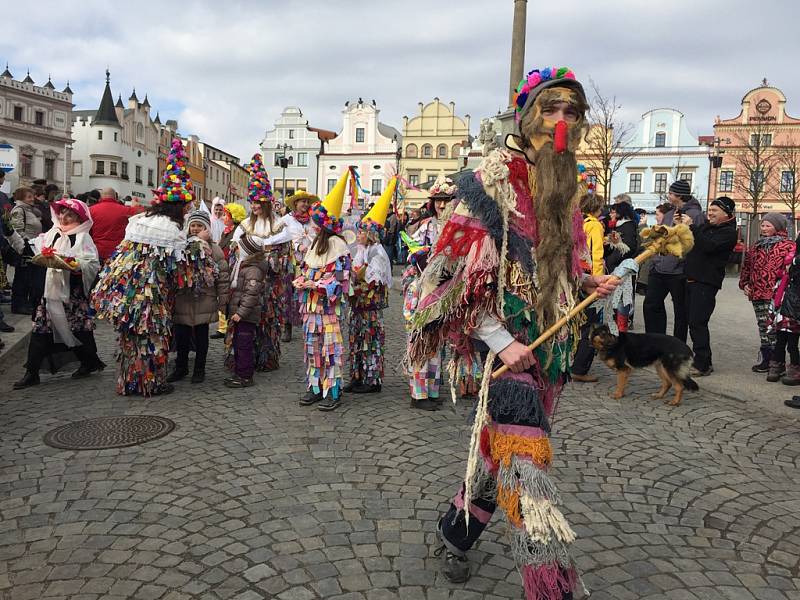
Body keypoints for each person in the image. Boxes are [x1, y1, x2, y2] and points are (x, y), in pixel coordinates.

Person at [408, 66, 618, 599]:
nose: (562, 120)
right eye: (552, 109)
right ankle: (549, 586)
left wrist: (588, 279)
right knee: (526, 464)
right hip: (506, 353)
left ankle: (455, 532)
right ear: (528, 116)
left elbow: (558, 265)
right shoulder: (492, 181)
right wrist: (502, 341)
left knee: (497, 451)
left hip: (551, 349)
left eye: (572, 112)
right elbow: (446, 278)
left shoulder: (563, 185)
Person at [92, 139, 193, 396]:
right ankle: (151, 383)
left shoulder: (140, 219)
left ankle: (129, 381)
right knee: (152, 337)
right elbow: (177, 268)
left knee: (130, 338)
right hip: (150, 295)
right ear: (179, 206)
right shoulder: (172, 229)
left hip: (125, 291)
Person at [14, 198, 105, 389]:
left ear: (79, 219)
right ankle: (32, 371)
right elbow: (30, 248)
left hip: (72, 292)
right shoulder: (51, 234)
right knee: (40, 329)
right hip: (49, 291)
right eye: (62, 212)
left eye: (70, 214)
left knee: (79, 330)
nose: (64, 217)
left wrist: (74, 264)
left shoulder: (83, 238)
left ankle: (89, 361)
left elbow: (92, 263)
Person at [230, 154, 293, 371]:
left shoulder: (278, 224)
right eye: (252, 202)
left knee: (266, 318)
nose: (254, 206)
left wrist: (272, 255)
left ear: (266, 203)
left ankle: (265, 357)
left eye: (258, 203)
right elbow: (235, 245)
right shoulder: (246, 223)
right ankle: (244, 357)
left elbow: (285, 251)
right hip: (248, 278)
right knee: (247, 318)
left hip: (269, 281)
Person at [294, 173, 351, 411]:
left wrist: (316, 285)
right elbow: (306, 269)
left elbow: (342, 280)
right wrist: (300, 280)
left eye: (316, 223)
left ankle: (333, 391)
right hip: (311, 310)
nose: (312, 226)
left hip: (327, 310)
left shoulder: (339, 246)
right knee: (311, 348)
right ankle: (315, 388)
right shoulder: (314, 246)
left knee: (330, 349)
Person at [405, 175, 456, 410]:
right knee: (421, 340)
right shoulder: (426, 227)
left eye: (446, 200)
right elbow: (412, 253)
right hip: (424, 291)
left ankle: (433, 390)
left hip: (444, 291)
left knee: (437, 342)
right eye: (438, 200)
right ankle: (419, 394)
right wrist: (422, 261)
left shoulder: (456, 227)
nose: (442, 205)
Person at [678, 196, 737, 376]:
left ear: (726, 214)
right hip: (691, 279)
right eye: (709, 210)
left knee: (698, 322)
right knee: (690, 321)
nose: (709, 214)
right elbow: (692, 243)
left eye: (714, 211)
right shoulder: (707, 227)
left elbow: (709, 246)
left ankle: (703, 364)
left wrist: (693, 227)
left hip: (706, 282)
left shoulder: (729, 232)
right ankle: (701, 360)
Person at [169, 211, 230, 384]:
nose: (195, 229)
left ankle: (199, 369)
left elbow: (223, 275)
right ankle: (181, 367)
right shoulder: (181, 244)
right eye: (193, 225)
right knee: (182, 336)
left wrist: (223, 300)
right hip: (184, 298)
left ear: (206, 228)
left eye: (199, 226)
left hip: (205, 298)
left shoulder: (215, 248)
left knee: (202, 337)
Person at [346, 179, 394, 394]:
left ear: (371, 234)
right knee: (357, 339)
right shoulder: (361, 251)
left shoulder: (378, 253)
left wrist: (357, 288)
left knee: (370, 340)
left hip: (370, 308)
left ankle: (371, 379)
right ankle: (357, 376)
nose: (358, 235)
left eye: (362, 232)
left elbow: (376, 282)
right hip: (358, 307)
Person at [643, 180, 704, 341]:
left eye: (670, 193)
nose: (668, 195)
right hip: (659, 269)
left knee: (681, 311)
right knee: (651, 305)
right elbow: (660, 238)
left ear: (679, 195)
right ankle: (655, 341)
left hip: (679, 271)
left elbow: (695, 242)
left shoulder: (695, 215)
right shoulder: (669, 213)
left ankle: (677, 346)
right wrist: (655, 259)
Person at [739, 213, 794, 372]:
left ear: (777, 227)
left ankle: (777, 361)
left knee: (775, 327)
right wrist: (745, 284)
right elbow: (747, 266)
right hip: (757, 292)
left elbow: (790, 270)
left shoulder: (787, 246)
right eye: (762, 225)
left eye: (767, 225)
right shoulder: (757, 245)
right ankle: (766, 358)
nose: (763, 228)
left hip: (777, 294)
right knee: (763, 325)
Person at [224, 234, 267, 388]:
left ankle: (245, 375)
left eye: (239, 247)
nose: (236, 249)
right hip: (240, 313)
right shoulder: (243, 265)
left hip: (246, 315)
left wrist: (240, 313)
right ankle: (239, 371)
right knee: (238, 343)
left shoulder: (253, 270)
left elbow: (251, 294)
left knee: (243, 345)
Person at [572, 192, 605, 383]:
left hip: (575, 275)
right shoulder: (594, 225)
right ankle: (580, 368)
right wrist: (597, 279)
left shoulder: (578, 221)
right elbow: (596, 254)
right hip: (587, 278)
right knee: (589, 325)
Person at [280, 191, 317, 343]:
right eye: (302, 201)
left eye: (307, 202)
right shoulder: (286, 220)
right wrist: (296, 245)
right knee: (289, 294)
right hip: (291, 263)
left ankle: (307, 325)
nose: (305, 205)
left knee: (307, 293)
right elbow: (279, 238)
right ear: (295, 204)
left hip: (309, 263)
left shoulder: (312, 220)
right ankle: (287, 327)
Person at [211, 202, 247, 340]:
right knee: (223, 297)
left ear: (234, 217)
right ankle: (222, 327)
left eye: (226, 215)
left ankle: (226, 326)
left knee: (228, 297)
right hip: (224, 266)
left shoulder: (238, 231)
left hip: (232, 268)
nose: (224, 217)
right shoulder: (225, 231)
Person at [604, 201, 639, 332]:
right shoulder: (616, 226)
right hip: (612, 268)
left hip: (622, 270)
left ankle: (621, 331)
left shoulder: (628, 226)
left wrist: (616, 248)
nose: (611, 214)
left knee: (621, 302)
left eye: (614, 211)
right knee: (613, 302)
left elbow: (629, 248)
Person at [10, 186, 45, 315]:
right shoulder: (19, 210)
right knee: (22, 277)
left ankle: (27, 303)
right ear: (21, 198)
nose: (32, 199)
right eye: (29, 197)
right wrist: (26, 243)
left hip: (33, 246)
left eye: (32, 196)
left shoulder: (30, 210)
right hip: (24, 248)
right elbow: (17, 229)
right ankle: (19, 304)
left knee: (29, 277)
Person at [89, 187, 141, 261]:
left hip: (97, 251)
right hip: (118, 253)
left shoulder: (91, 210)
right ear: (115, 197)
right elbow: (141, 214)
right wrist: (136, 205)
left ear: (101, 197)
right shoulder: (126, 210)